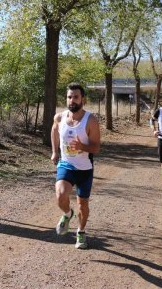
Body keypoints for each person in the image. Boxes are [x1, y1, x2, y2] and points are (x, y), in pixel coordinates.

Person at [51, 83, 101, 249]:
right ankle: (67, 214)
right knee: (60, 195)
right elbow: (54, 130)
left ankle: (81, 232)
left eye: (76, 97)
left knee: (83, 205)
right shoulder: (60, 117)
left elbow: (96, 147)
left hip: (85, 168)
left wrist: (82, 147)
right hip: (66, 164)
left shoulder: (91, 120)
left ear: (83, 99)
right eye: (69, 97)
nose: (72, 100)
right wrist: (55, 152)